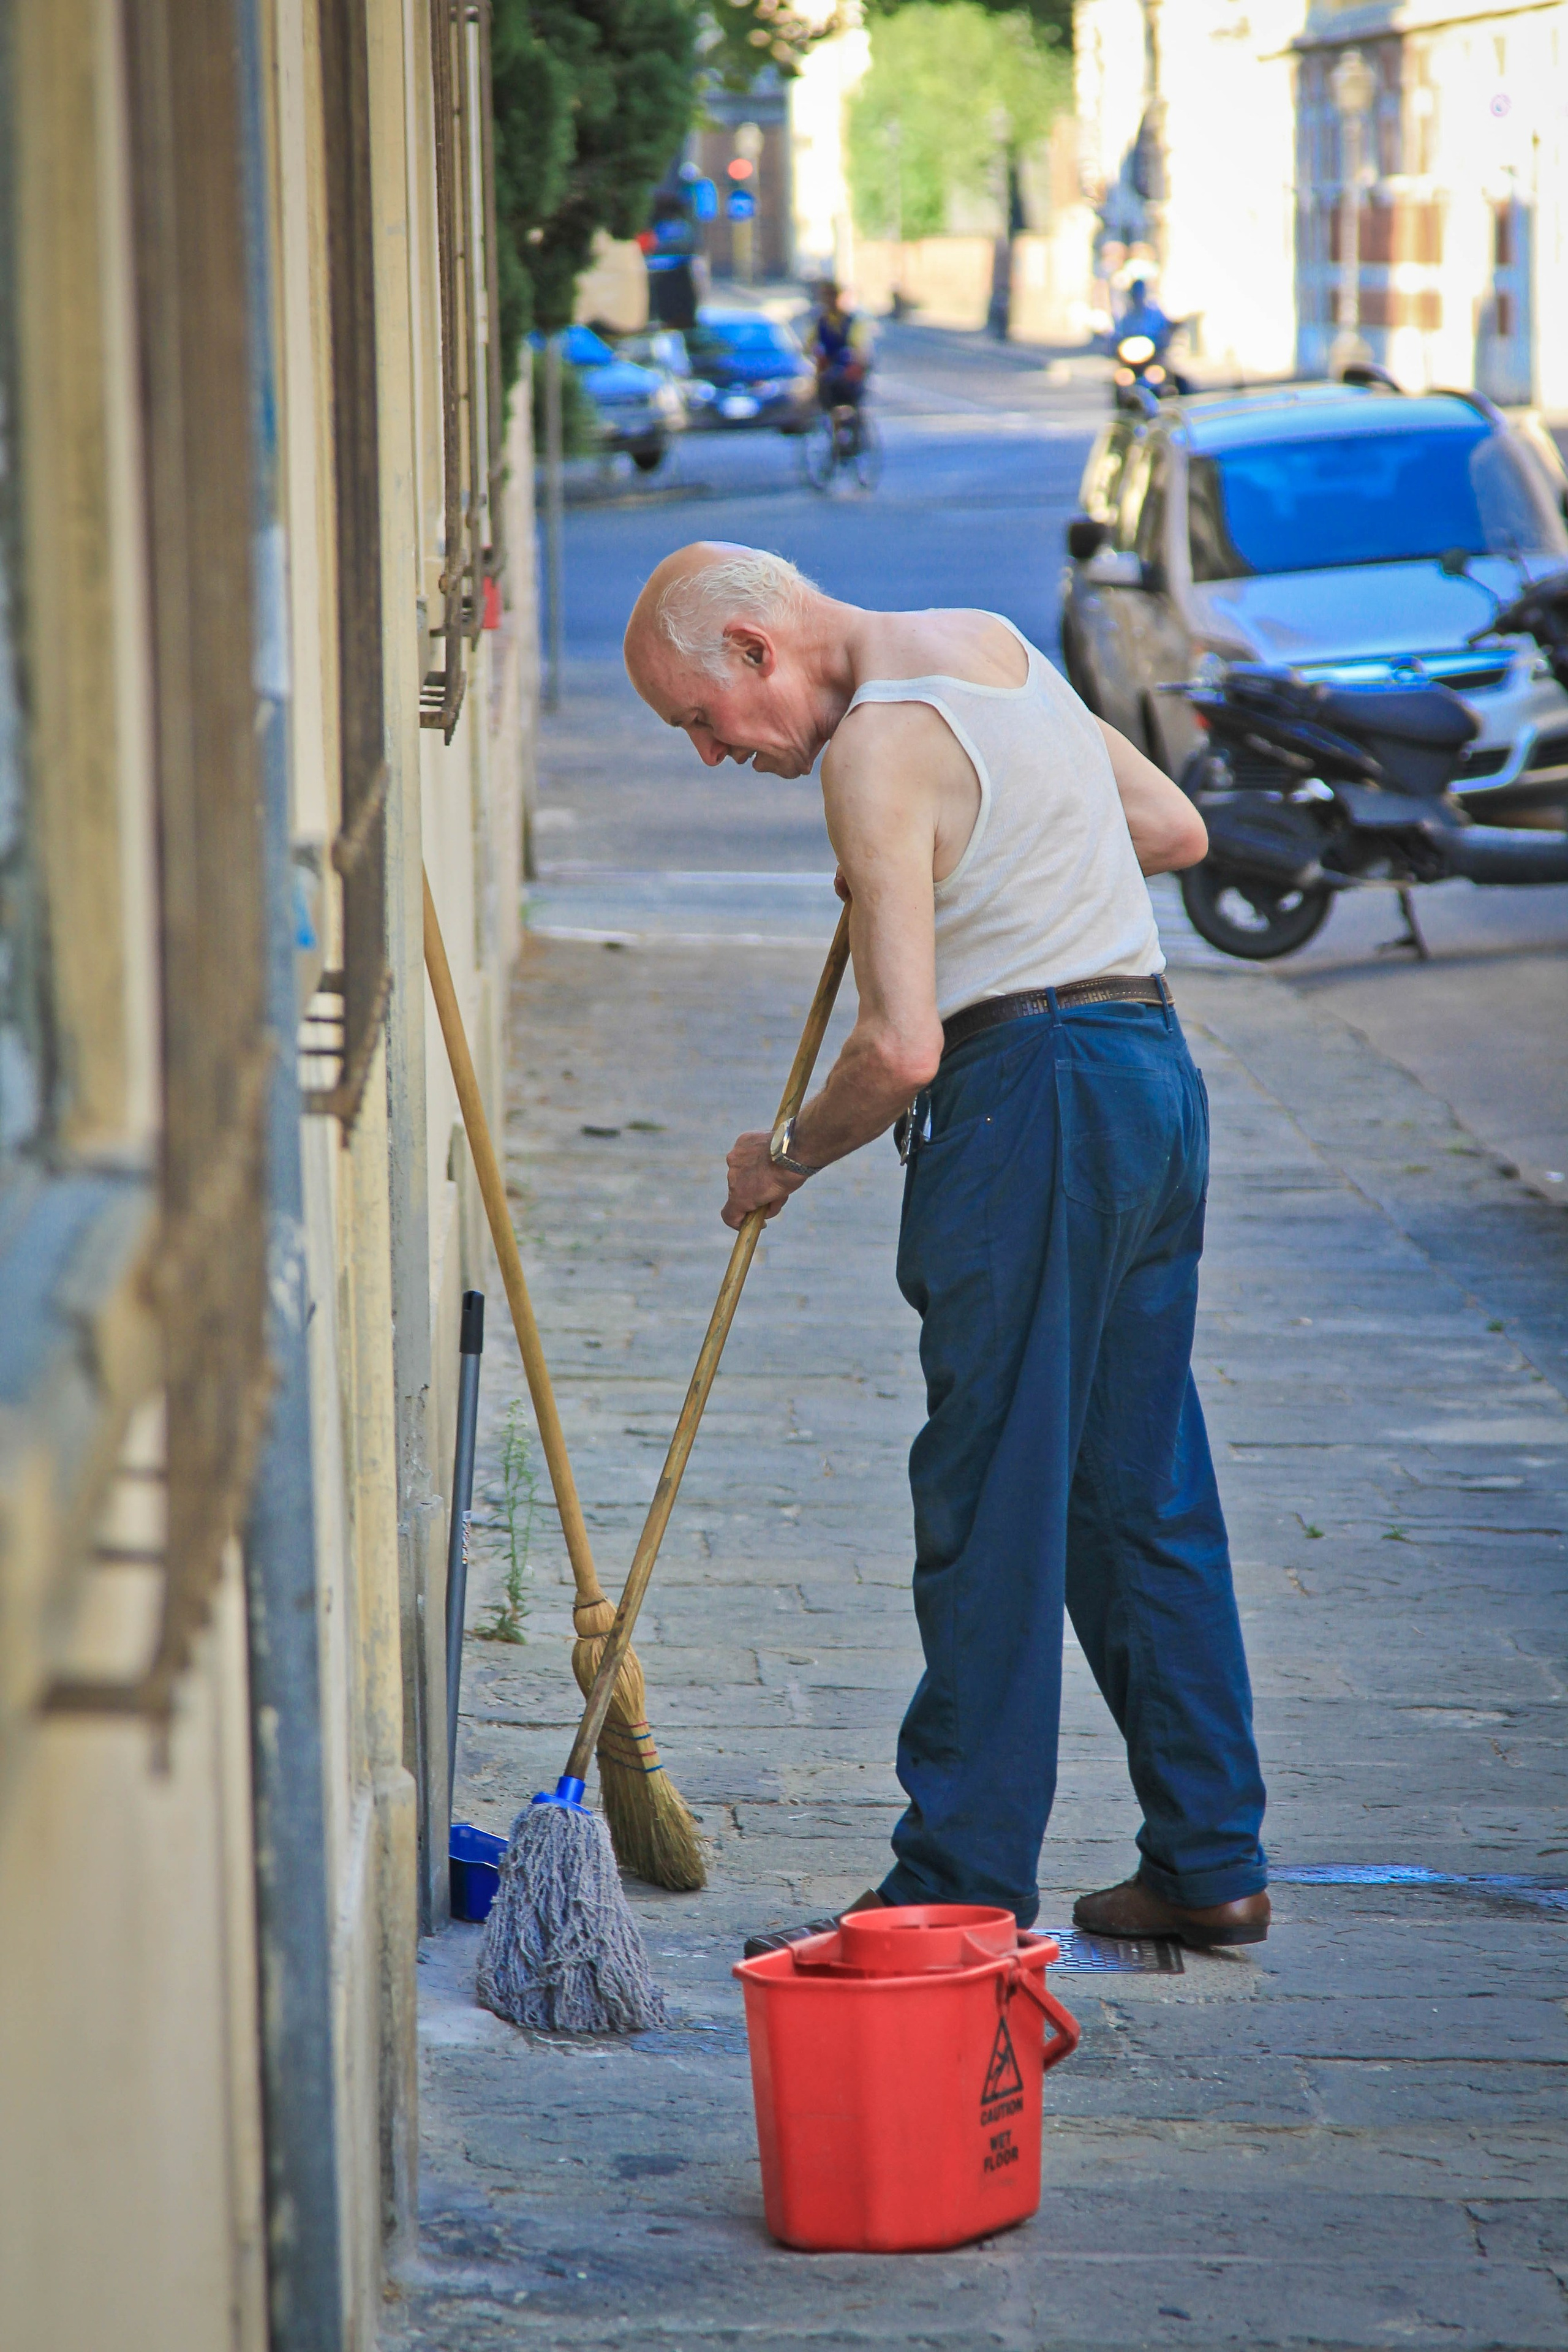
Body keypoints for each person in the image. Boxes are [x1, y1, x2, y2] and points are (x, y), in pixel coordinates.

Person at [622, 543, 1270, 1953]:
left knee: (991, 1500)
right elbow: (1169, 829)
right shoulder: (990, 646)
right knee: (1136, 1484)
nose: (709, 752)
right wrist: (960, 858)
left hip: (1031, 1100)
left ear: (754, 648)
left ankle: (955, 1882)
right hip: (1146, 1076)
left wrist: (782, 1153)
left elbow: (900, 1048)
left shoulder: (876, 748)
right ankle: (1208, 1858)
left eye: (699, 717)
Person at [807, 279, 873, 413]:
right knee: (824, 394)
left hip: (848, 373)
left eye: (833, 296)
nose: (829, 300)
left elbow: (860, 348)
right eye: (826, 296)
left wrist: (858, 361)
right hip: (828, 373)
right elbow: (809, 347)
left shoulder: (852, 321)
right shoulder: (821, 322)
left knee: (851, 399)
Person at [1117, 276, 1173, 355]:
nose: (1138, 297)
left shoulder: (1155, 314)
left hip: (1155, 354)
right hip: (1133, 354)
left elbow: (1164, 333)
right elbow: (1120, 335)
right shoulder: (1127, 318)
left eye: (1139, 294)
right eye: (1135, 294)